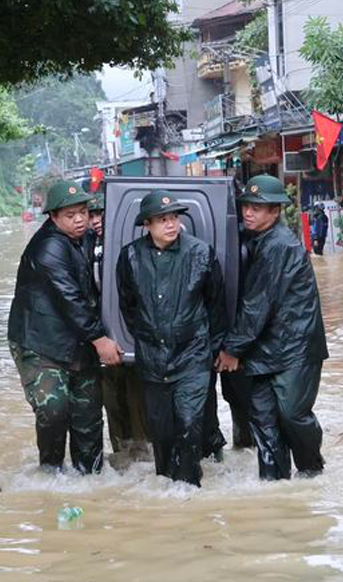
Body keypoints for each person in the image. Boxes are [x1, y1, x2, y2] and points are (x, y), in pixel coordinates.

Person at [215, 175, 328, 481]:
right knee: (264, 423)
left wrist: (232, 349)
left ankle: (311, 471)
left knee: (293, 414)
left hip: (295, 347)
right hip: (262, 349)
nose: (248, 212)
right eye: (246, 206)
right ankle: (274, 485)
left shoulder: (279, 244)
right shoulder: (256, 238)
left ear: (275, 212)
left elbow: (258, 304)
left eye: (257, 207)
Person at [7, 180, 123, 474]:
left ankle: (90, 477)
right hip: (40, 342)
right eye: (71, 215)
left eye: (83, 212)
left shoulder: (84, 239)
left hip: (77, 341)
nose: (80, 219)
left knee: (88, 414)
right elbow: (70, 298)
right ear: (53, 217)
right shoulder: (48, 248)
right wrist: (100, 340)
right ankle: (50, 474)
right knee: (54, 409)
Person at [116, 190, 227, 487]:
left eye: (174, 217)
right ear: (147, 225)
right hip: (152, 359)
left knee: (189, 425)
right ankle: (165, 487)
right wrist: (146, 333)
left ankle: (188, 487)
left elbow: (216, 304)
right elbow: (127, 304)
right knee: (161, 432)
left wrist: (214, 347)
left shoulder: (201, 253)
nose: (171, 224)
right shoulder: (130, 256)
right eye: (163, 219)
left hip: (192, 355)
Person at [87, 192, 152, 462]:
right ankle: (122, 455)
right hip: (100, 336)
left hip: (133, 333)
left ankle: (144, 452)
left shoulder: (133, 246)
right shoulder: (85, 248)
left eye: (100, 214)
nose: (96, 220)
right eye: (91, 215)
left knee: (138, 396)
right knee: (111, 398)